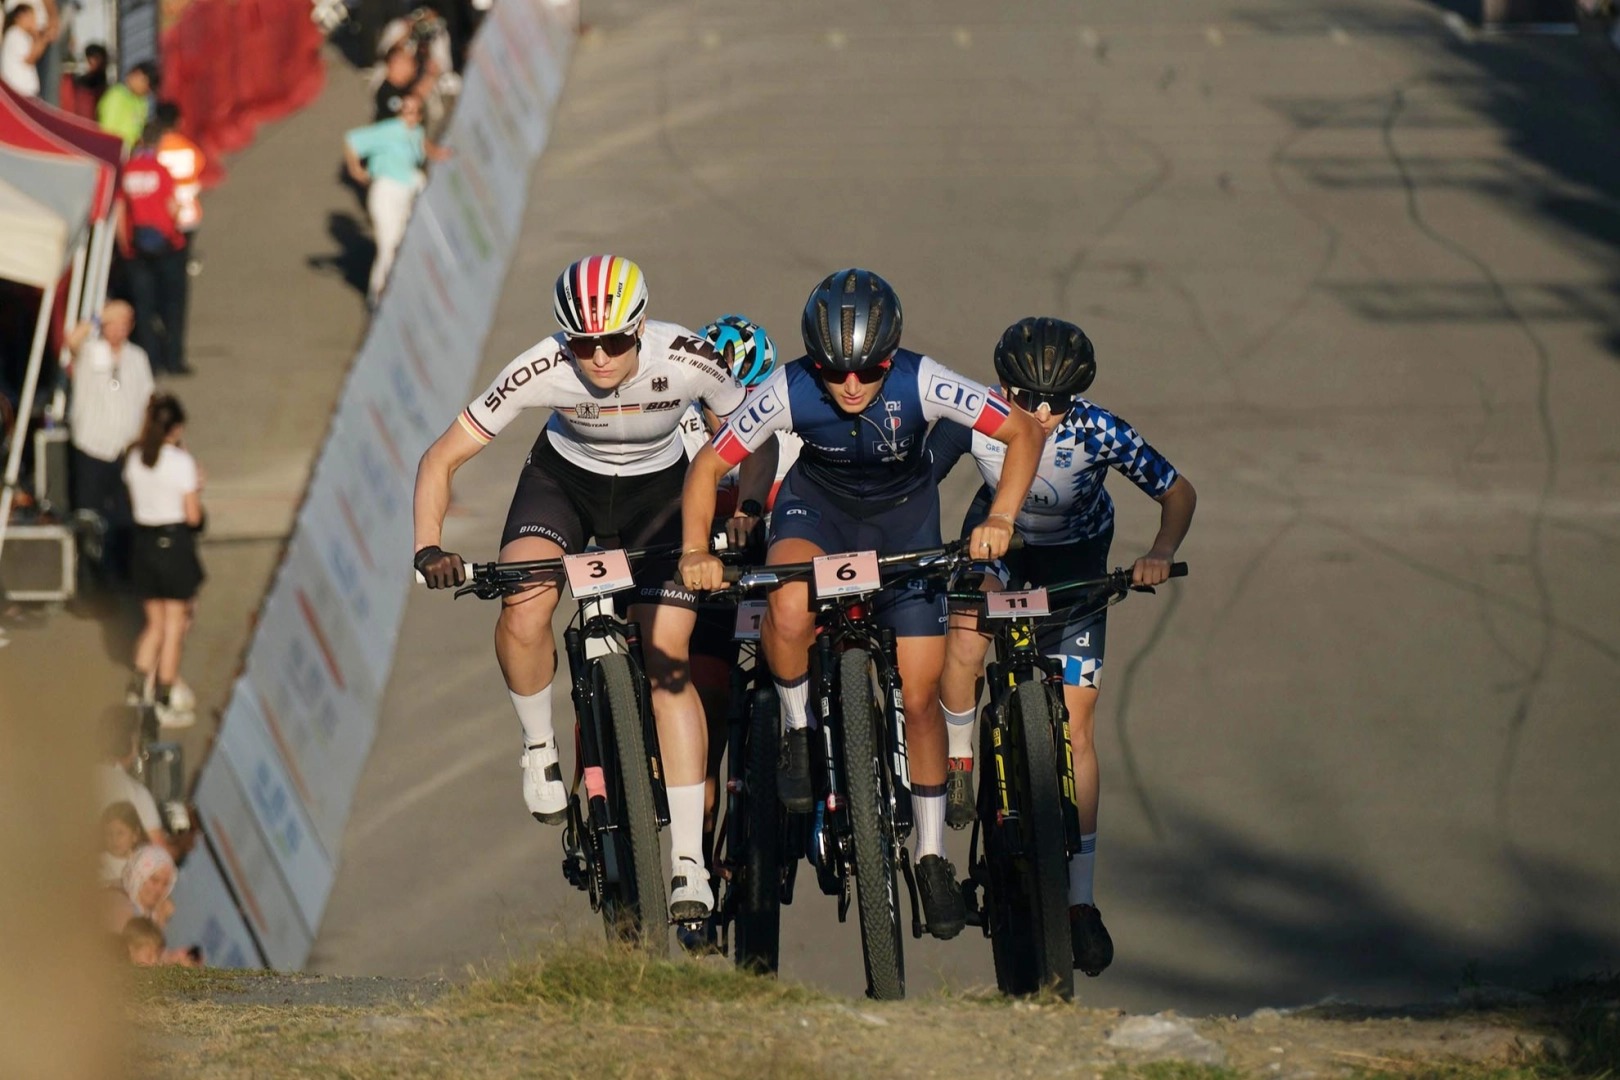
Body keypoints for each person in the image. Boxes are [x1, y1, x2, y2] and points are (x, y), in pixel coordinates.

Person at [677, 269, 1044, 939]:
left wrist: (1004, 515)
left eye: (869, 371)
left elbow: (1023, 431)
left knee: (922, 691)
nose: (850, 385)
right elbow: (708, 467)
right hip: (815, 514)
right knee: (787, 606)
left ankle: (931, 855)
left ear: (893, 355)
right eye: (833, 370)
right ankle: (796, 727)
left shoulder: (926, 379)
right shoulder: (786, 387)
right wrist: (694, 549)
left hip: (904, 522)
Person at [412, 255, 750, 923]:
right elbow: (442, 456)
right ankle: (539, 750)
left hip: (661, 495)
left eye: (616, 341)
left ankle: (688, 862)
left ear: (642, 327)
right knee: (526, 601)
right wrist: (428, 546)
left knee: (669, 659)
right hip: (564, 485)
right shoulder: (542, 364)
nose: (598, 358)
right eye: (583, 343)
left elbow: (752, 430)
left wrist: (745, 509)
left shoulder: (687, 356)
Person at [928, 316, 1196, 976]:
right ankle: (961, 762)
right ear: (1002, 387)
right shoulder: (974, 418)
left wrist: (1160, 552)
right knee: (963, 647)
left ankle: (1080, 901)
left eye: (1059, 405)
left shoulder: (1100, 430)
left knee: (1077, 725)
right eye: (1026, 400)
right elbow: (915, 479)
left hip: (1076, 562)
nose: (1043, 416)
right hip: (997, 544)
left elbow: (1178, 491)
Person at [672, 315, 789, 936]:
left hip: (771, 588)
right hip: (713, 598)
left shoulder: (787, 424)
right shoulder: (680, 426)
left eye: (745, 400)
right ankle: (706, 864)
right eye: (718, 399)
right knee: (711, 712)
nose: (728, 418)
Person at [125, 393, 204, 728]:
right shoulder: (180, 463)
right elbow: (193, 517)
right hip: (173, 546)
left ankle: (135, 690)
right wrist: (197, 486)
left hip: (143, 544)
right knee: (175, 625)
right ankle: (164, 696)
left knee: (153, 625)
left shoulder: (135, 458)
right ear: (177, 428)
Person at [65, 301, 154, 587]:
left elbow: (147, 400)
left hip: (125, 449)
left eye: (124, 323)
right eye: (113, 322)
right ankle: (89, 579)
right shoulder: (91, 352)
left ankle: (122, 575)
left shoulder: (137, 357)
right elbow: (71, 341)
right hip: (92, 447)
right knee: (89, 516)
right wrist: (97, 316)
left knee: (125, 516)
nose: (119, 329)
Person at [343, 93, 448, 307]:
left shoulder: (415, 132)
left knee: (404, 241)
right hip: (387, 192)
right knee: (389, 243)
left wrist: (439, 153)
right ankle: (378, 295)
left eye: (414, 111)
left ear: (419, 116)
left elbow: (423, 144)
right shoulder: (390, 130)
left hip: (407, 194)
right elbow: (353, 140)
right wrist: (355, 168)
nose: (408, 115)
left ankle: (399, 291)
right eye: (405, 110)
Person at [119, 124, 190, 375]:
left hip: (136, 249)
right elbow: (172, 207)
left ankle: (150, 362)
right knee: (173, 305)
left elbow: (119, 211)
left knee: (143, 307)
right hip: (167, 246)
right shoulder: (160, 170)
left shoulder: (126, 171)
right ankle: (174, 359)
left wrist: (124, 245)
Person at [94, 705, 168, 853]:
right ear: (132, 744)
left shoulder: (76, 780)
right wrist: (183, 844)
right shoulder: (136, 793)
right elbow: (162, 854)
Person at [154, 101, 206, 274]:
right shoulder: (190, 149)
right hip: (188, 210)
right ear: (179, 122)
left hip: (162, 211)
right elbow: (199, 167)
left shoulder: (155, 150)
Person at [96, 59, 155, 150]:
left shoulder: (141, 101)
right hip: (113, 150)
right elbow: (107, 130)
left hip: (130, 152)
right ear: (137, 75)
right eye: (147, 85)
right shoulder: (116, 96)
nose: (147, 91)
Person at [1, 2, 55, 96]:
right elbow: (30, 59)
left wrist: (41, 38)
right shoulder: (15, 35)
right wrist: (42, 39)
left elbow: (36, 54)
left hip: (25, 92)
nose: (34, 21)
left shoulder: (24, 35)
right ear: (21, 16)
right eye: (31, 17)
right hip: (19, 91)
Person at [100, 800, 147, 887]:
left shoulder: (142, 860)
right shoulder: (103, 863)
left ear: (135, 835)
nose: (114, 839)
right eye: (109, 834)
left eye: (120, 833)